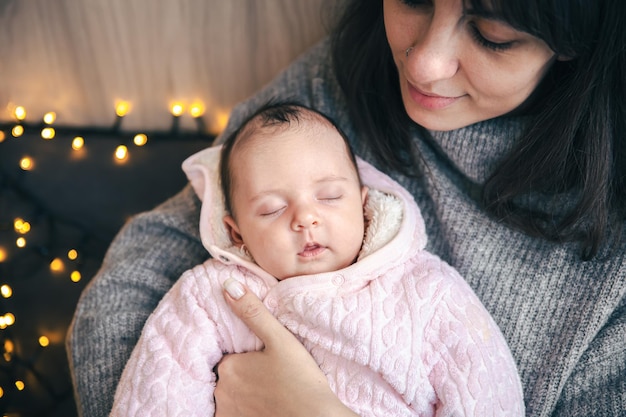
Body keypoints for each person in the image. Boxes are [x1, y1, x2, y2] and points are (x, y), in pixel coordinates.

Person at [68, 0, 626, 416]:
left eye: (493, 34)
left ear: (577, 39)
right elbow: (130, 287)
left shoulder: (436, 292)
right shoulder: (329, 89)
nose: (425, 63)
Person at [108, 102, 524, 416]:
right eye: (271, 209)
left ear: (363, 207)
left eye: (328, 197)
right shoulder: (215, 295)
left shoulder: (426, 290)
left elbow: (487, 392)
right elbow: (159, 386)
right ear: (237, 232)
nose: (305, 218)